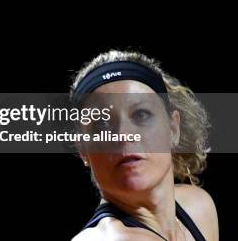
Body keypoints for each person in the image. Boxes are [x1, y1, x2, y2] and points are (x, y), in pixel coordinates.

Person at [71, 50, 218, 241]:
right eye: (102, 124)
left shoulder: (199, 208)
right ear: (84, 151)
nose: (123, 135)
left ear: (173, 129)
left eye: (141, 114)